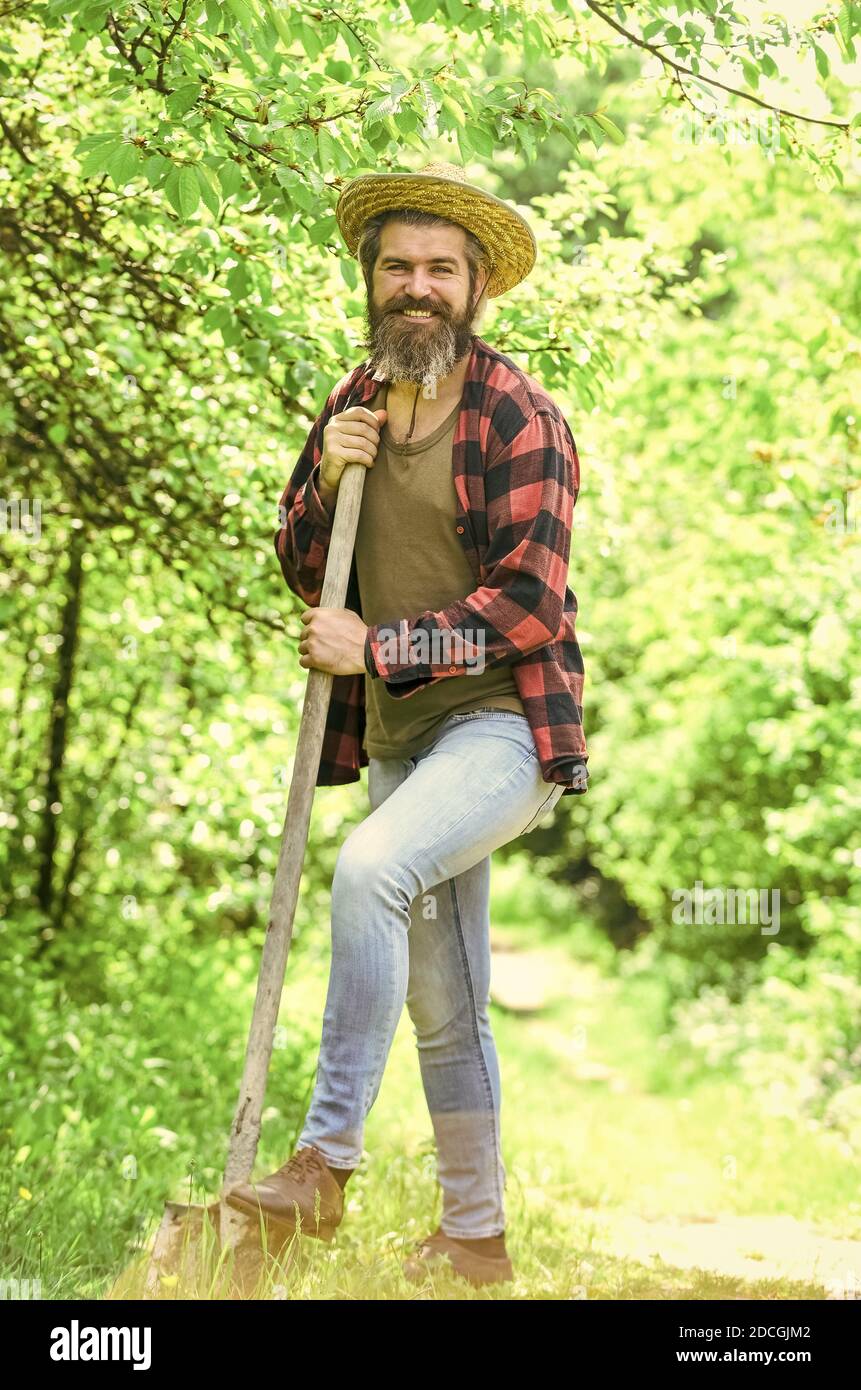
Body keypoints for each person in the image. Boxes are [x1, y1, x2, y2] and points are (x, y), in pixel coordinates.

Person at [226, 161, 588, 1288]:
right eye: (398, 267)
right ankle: (475, 1238)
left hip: (501, 730)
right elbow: (302, 565)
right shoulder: (353, 406)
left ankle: (326, 1162)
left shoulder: (521, 416)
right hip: (397, 737)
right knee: (445, 993)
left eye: (441, 269)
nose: (417, 287)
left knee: (371, 866)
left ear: (476, 288)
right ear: (372, 281)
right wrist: (330, 487)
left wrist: (377, 648)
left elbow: (529, 605)